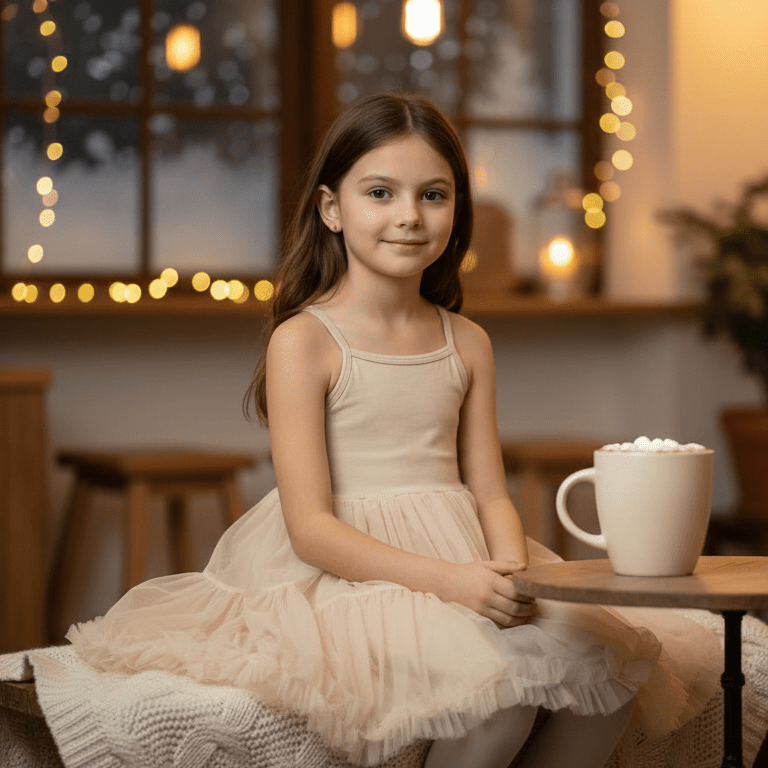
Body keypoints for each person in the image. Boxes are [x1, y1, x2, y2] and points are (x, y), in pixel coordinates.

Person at [67, 92, 719, 768]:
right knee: (497, 704)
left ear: (456, 209)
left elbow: (490, 489)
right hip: (356, 572)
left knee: (605, 683)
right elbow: (311, 528)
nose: (409, 216)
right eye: (380, 192)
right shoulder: (305, 342)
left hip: (469, 552)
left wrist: (509, 576)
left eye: (433, 195)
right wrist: (453, 584)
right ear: (331, 208)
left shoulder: (467, 342)